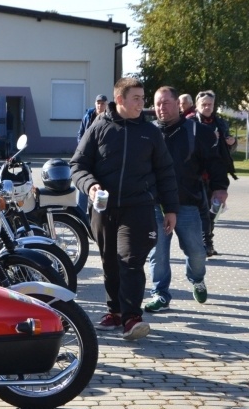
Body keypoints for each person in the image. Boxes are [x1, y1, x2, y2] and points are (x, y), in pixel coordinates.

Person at [71, 77, 179, 341]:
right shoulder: (98, 127)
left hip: (139, 207)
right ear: (120, 100)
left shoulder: (150, 132)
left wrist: (171, 208)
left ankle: (132, 317)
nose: (142, 104)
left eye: (143, 99)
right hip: (104, 209)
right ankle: (115, 312)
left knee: (130, 261)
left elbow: (165, 171)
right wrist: (91, 186)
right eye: (137, 99)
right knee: (110, 262)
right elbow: (78, 165)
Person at [146, 87, 229, 312]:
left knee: (197, 252)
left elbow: (216, 161)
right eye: (157, 104)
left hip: (187, 203)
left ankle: (197, 278)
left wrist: (220, 188)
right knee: (158, 254)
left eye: (166, 103)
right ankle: (160, 293)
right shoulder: (148, 131)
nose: (161, 108)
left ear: (178, 105)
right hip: (156, 205)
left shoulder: (196, 131)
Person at [191, 90, 238, 256]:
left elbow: (228, 146)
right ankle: (204, 244)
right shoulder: (190, 121)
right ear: (197, 106)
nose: (207, 107)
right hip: (197, 175)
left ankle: (208, 242)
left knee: (214, 211)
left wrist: (231, 142)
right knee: (201, 211)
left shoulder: (220, 122)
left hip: (216, 175)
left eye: (210, 104)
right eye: (203, 104)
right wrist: (209, 138)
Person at [75, 94, 110, 212]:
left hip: (101, 158)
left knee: (98, 185)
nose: (100, 105)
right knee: (85, 181)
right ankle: (81, 212)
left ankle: (98, 211)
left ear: (106, 104)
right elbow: (80, 135)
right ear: (95, 104)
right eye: (98, 103)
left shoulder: (109, 118)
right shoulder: (88, 117)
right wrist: (83, 148)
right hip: (87, 156)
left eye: (102, 103)